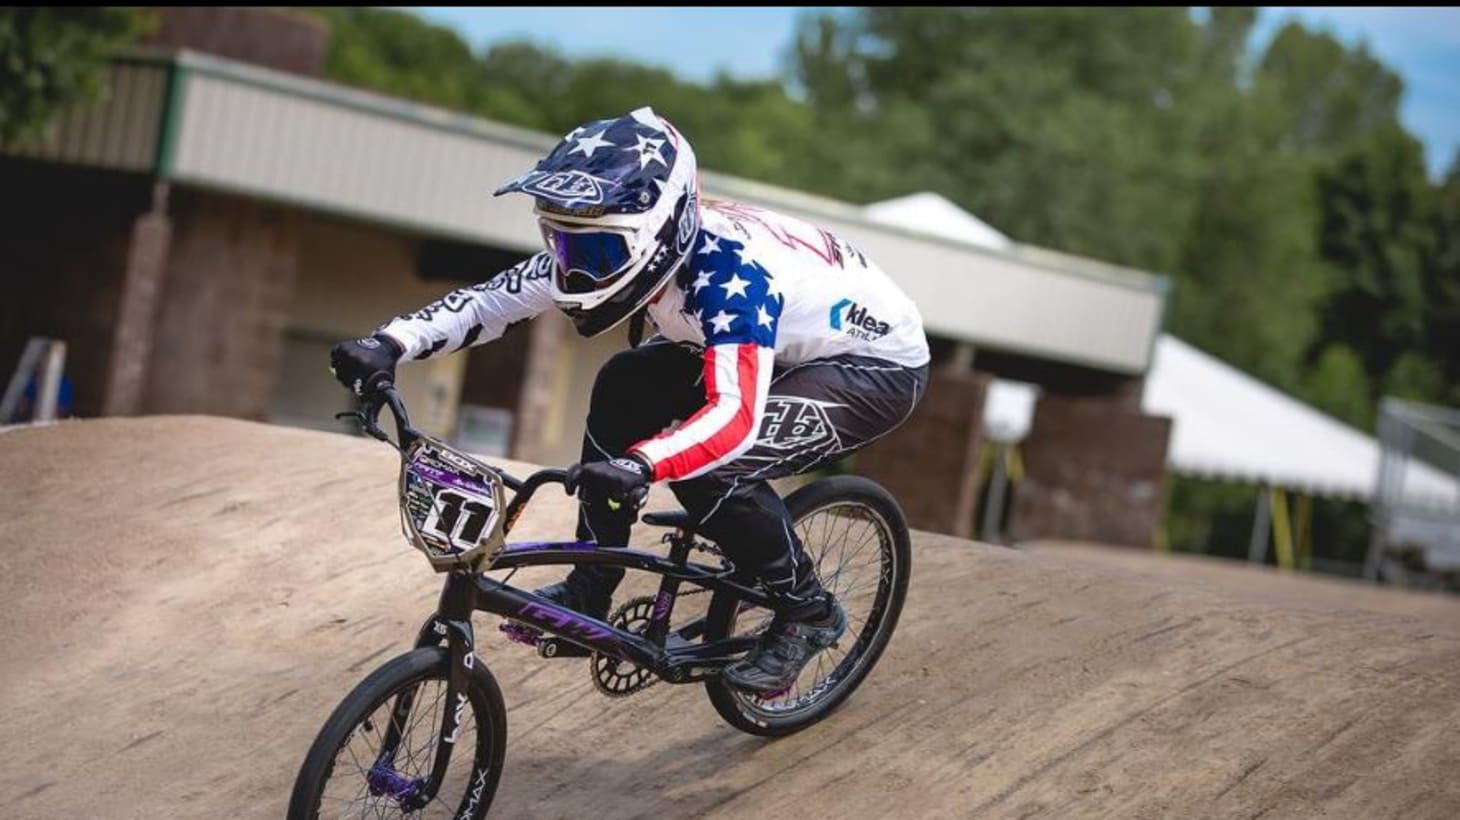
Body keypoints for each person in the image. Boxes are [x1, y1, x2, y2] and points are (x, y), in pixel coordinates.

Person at [331, 107, 929, 694]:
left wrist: (642, 464)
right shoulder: (620, 237)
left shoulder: (731, 280)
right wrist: (390, 343)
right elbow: (491, 302)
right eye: (561, 244)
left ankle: (808, 609)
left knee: (710, 466)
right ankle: (592, 586)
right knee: (623, 382)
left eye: (595, 255)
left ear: (658, 235)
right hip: (764, 343)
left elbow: (734, 417)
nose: (575, 273)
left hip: (870, 367)